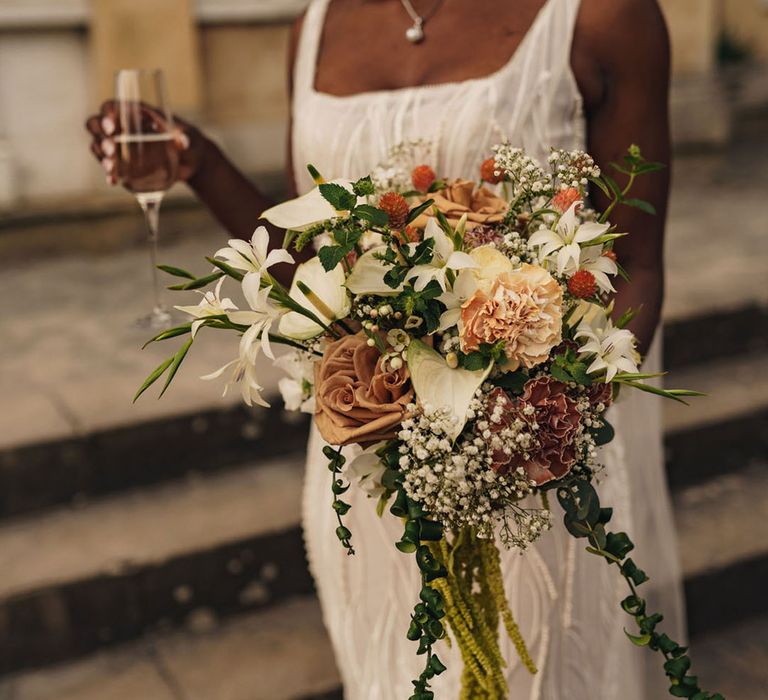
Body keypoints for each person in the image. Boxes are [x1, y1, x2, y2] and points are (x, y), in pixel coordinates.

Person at [87, 1, 685, 697]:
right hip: (368, 463)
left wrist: (540, 424)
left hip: (526, 474)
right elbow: (312, 267)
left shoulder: (604, 16)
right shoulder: (315, 25)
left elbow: (635, 265)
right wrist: (202, 162)